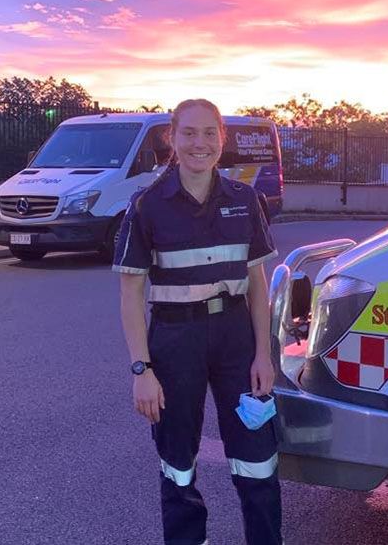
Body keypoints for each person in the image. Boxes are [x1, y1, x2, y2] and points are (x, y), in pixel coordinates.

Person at [113, 99, 282, 545]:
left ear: (222, 140)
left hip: (235, 339)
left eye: (209, 133)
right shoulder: (148, 204)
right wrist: (141, 370)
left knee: (258, 459)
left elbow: (258, 284)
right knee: (178, 462)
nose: (199, 143)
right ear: (172, 137)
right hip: (174, 339)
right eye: (189, 132)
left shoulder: (246, 200)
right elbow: (130, 292)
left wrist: (263, 354)